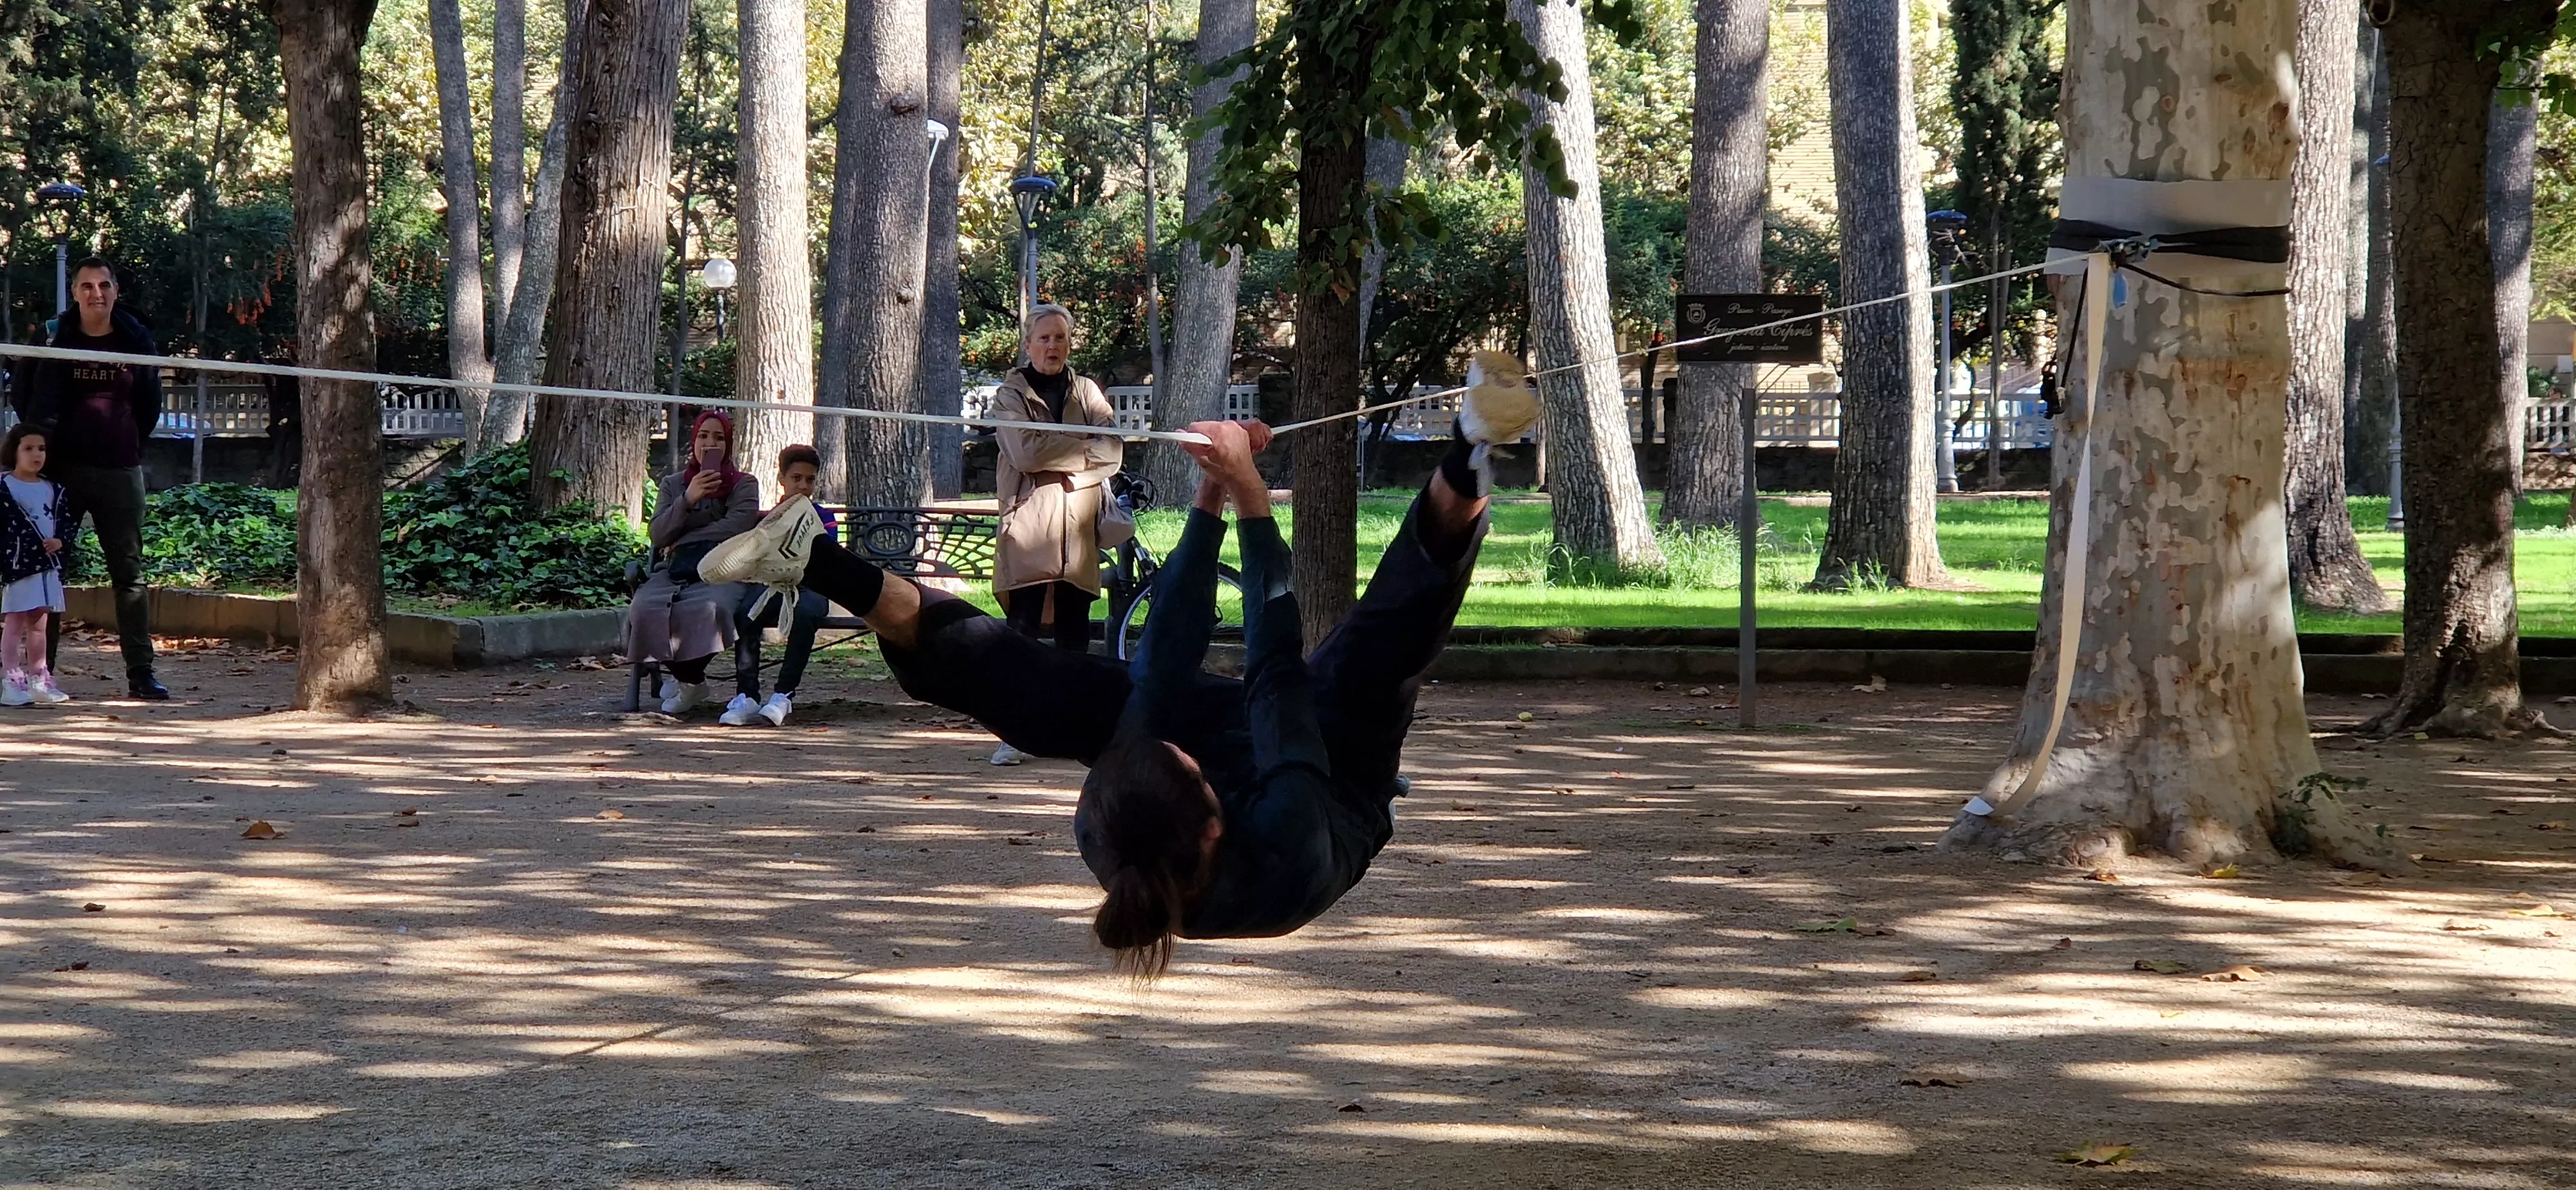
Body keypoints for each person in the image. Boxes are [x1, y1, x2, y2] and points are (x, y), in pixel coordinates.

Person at [699, 363, 1540, 975]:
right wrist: (1248, 496)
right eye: (1172, 750)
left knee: (1022, 687)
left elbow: (1165, 664)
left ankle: (816, 556)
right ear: (1209, 808)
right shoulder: (1285, 844)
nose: (1165, 739)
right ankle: (1470, 448)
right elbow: (1275, 670)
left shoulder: (1110, 820)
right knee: (1387, 643)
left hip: (1201, 801)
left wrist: (1213, 491)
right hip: (1335, 788)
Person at [4, 258, 167, 700]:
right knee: (48, 574)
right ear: (75, 293)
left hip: (120, 470)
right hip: (61, 476)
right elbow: (23, 392)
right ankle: (42, 674)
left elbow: (150, 402)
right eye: (87, 286)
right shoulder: (54, 334)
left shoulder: (136, 338)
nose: (96, 294)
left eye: (104, 285)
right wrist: (45, 448)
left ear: (115, 291)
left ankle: (141, 674)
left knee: (129, 575)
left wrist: (129, 441)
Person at [988, 303, 1122, 764]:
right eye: (1044, 338)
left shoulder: (1087, 391)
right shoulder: (1009, 395)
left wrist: (1062, 455)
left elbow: (1113, 450)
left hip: (1078, 532)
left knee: (1075, 637)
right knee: (1021, 636)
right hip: (1028, 529)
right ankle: (1014, 731)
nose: (1052, 346)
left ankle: (1073, 729)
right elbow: (1024, 452)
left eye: (1060, 338)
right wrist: (1082, 449)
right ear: (1028, 344)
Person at [627, 410, 759, 715]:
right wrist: (688, 499)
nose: (709, 443)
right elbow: (659, 534)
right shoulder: (674, 484)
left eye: (718, 437)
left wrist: (685, 537)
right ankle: (692, 681)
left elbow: (738, 527)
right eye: (703, 436)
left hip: (724, 572)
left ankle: (685, 679)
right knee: (643, 608)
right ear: (693, 440)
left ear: (729, 445)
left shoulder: (744, 484)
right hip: (674, 571)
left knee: (710, 609)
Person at [719, 444, 838, 727]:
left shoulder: (824, 518)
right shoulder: (766, 519)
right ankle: (747, 696)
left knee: (807, 613)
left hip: (811, 588)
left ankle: (783, 695)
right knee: (747, 613)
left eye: (810, 480)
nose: (803, 486)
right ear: (782, 479)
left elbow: (830, 561)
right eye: (796, 478)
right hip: (772, 586)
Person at [1, 423, 71, 706]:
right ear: (14, 451)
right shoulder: (5, 487)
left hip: (47, 566)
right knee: (14, 623)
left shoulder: (54, 489)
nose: (36, 455)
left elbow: (66, 522)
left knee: (40, 624)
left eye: (41, 449)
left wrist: (61, 541)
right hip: (19, 566)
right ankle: (10, 680)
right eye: (28, 449)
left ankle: (40, 678)